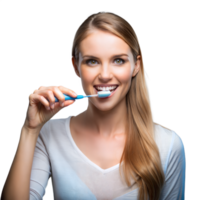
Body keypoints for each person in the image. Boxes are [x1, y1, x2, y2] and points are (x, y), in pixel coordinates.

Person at [0, 10, 187, 200]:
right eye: (92, 61)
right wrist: (30, 129)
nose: (105, 74)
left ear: (136, 65)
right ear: (75, 66)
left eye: (118, 60)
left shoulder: (168, 145)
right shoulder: (49, 135)